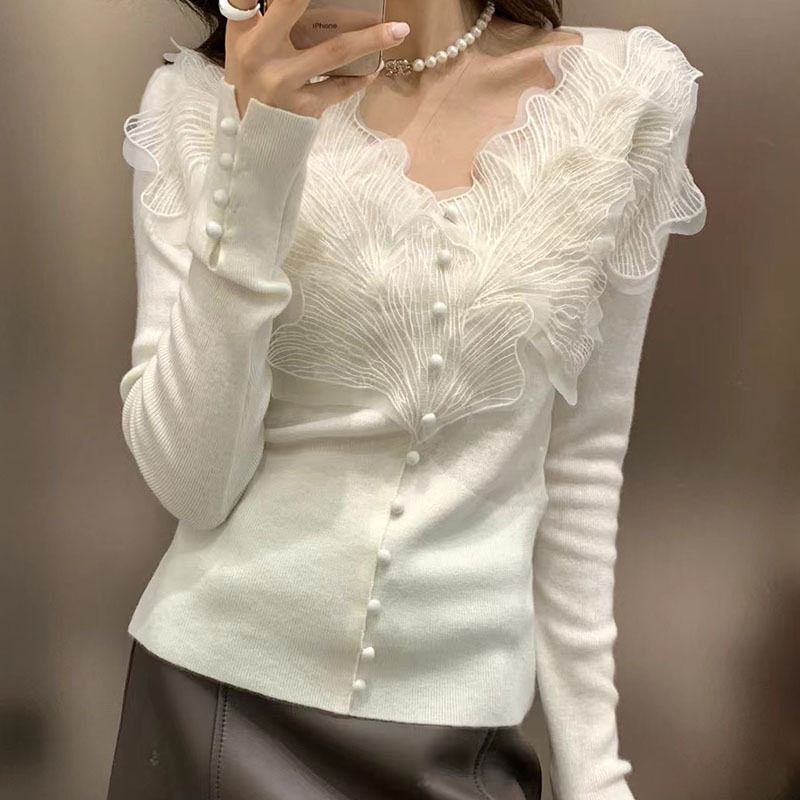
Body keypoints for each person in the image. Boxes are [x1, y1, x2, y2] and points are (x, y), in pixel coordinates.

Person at [106, 1, 708, 798]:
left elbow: (582, 463)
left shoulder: (621, 94)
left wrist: (596, 776)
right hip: (214, 714)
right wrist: (259, 148)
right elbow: (194, 484)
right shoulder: (196, 100)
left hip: (461, 744)